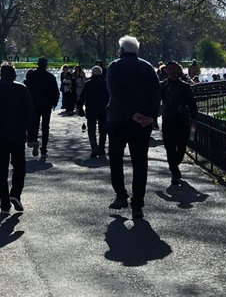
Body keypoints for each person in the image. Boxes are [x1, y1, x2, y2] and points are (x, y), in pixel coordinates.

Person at [105, 35, 161, 220]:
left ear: (121, 50)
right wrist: (150, 116)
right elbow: (156, 93)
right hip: (142, 123)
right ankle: (138, 203)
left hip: (118, 120)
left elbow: (115, 93)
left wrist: (131, 113)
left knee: (116, 160)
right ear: (137, 50)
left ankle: (121, 195)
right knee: (140, 163)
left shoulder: (114, 66)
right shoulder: (147, 67)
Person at [0, 63, 37, 211]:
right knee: (19, 166)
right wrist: (32, 137)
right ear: (14, 75)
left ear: (0, 74)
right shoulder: (21, 89)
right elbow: (30, 114)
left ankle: (4, 201)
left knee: (0, 171)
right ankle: (15, 193)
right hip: (17, 133)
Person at [159, 61, 198, 187]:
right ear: (166, 70)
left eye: (174, 69)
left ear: (178, 70)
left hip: (182, 120)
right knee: (169, 147)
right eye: (169, 69)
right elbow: (155, 101)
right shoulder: (162, 86)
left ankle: (175, 165)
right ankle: (174, 172)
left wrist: (194, 117)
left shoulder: (185, 86)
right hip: (168, 120)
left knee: (181, 147)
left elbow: (192, 103)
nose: (172, 71)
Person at [24, 57, 60, 160]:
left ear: (38, 64)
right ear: (46, 64)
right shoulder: (51, 77)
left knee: (34, 125)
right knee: (45, 127)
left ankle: (34, 140)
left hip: (34, 104)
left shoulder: (31, 76)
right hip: (46, 105)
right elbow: (55, 92)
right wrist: (54, 103)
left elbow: (27, 90)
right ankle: (44, 149)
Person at [80, 65, 109, 157]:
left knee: (91, 130)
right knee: (103, 130)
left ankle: (94, 148)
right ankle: (101, 148)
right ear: (101, 73)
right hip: (103, 110)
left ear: (92, 73)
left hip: (91, 110)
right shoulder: (106, 84)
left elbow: (82, 98)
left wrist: (80, 108)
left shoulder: (88, 84)